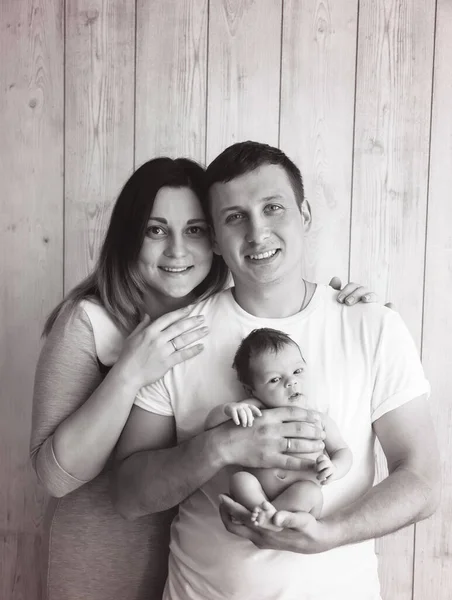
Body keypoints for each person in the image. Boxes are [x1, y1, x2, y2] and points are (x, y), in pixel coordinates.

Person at [30, 155, 370, 600]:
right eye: (156, 230)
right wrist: (132, 370)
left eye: (194, 230)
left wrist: (350, 308)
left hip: (192, 562)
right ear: (129, 237)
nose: (177, 250)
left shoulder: (222, 325)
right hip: (106, 555)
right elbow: (55, 477)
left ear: (214, 241)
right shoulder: (89, 321)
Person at [113, 141, 440, 600]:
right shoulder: (178, 336)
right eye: (234, 217)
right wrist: (221, 446)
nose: (257, 231)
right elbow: (128, 496)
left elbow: (423, 480)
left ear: (303, 215)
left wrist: (330, 534)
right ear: (216, 240)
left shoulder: (372, 325)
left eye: (272, 208)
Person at [204, 327, 353, 530]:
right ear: (251, 389)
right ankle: (267, 516)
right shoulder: (253, 410)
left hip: (300, 500)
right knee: (240, 480)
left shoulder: (318, 418)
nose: (291, 382)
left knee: (311, 492)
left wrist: (334, 469)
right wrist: (229, 410)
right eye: (275, 379)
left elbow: (342, 450)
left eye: (297, 371)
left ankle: (267, 520)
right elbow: (211, 426)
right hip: (258, 498)